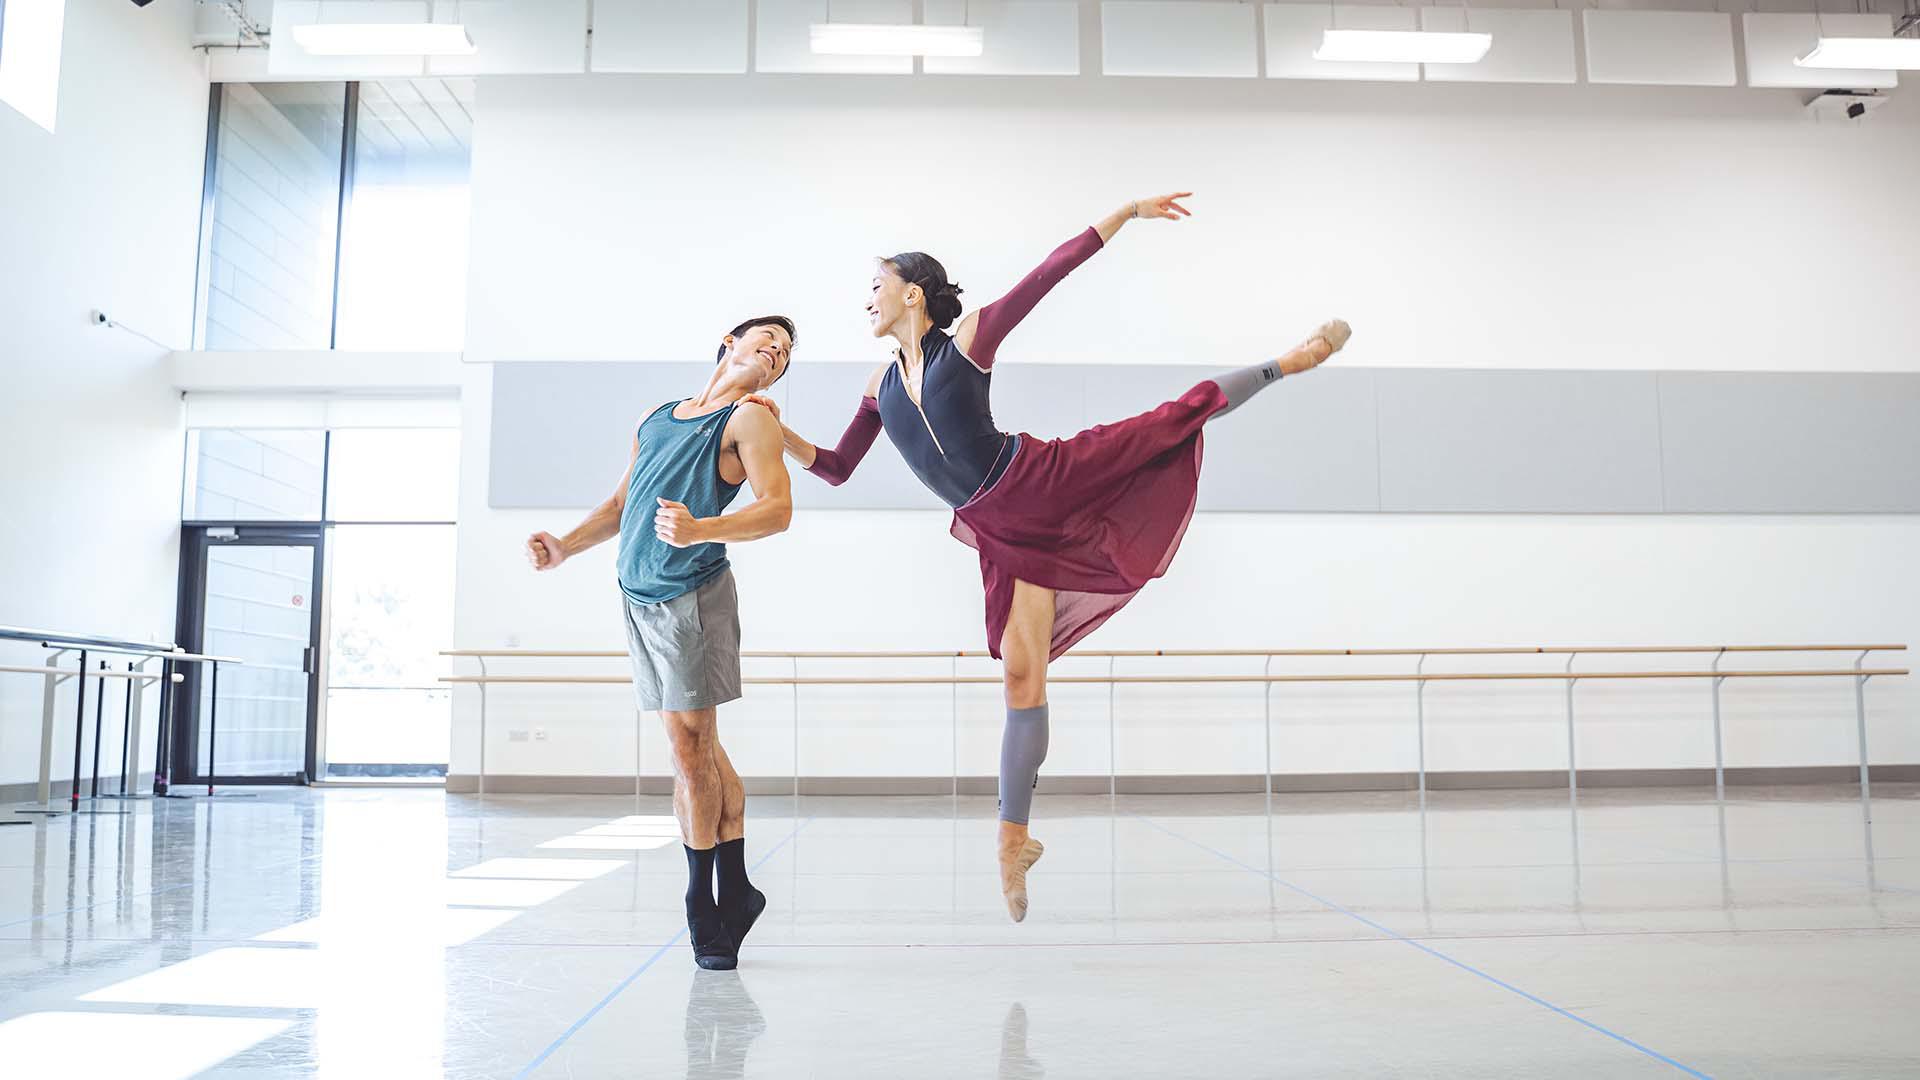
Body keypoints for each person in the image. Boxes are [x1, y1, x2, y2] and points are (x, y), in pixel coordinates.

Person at [748, 195, 1349, 921]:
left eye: (876, 284)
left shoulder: (966, 342)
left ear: (913, 292)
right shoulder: (878, 391)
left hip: (1037, 478)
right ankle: (1013, 842)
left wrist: (1122, 215)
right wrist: (773, 433)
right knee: (1022, 674)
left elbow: (1046, 276)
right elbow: (839, 467)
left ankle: (1290, 361)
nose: (866, 299)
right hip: (1000, 531)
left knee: (1164, 423)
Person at [527, 315, 798, 968]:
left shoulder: (749, 422)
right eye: (765, 337)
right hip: (637, 601)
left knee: (688, 749)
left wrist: (701, 527)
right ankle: (735, 889)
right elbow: (622, 506)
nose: (774, 350)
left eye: (785, 353)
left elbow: (778, 509)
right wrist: (565, 545)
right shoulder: (656, 417)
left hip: (692, 599)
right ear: (729, 341)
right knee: (697, 749)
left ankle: (701, 905)